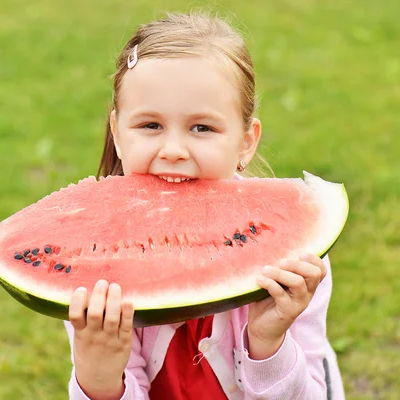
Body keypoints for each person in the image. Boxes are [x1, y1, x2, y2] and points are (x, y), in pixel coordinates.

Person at [63, 12, 345, 400]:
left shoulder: (293, 259)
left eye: (202, 128)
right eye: (150, 125)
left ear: (246, 141)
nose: (174, 151)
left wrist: (269, 342)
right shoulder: (92, 261)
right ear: (117, 131)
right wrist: (98, 379)